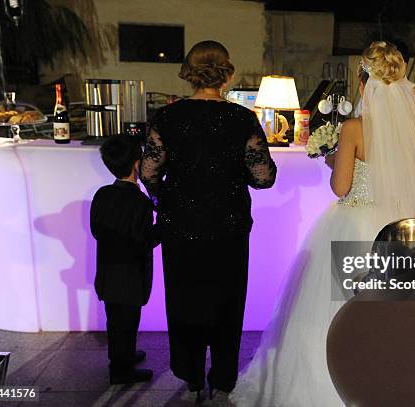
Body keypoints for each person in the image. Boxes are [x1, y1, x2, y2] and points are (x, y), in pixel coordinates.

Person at [230, 41, 415, 406]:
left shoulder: (356, 127)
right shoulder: (411, 126)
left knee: (328, 316)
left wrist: (335, 162)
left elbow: (340, 187)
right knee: (382, 317)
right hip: (394, 229)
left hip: (353, 225)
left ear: (362, 82)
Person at [140, 40, 277, 404]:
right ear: (226, 73)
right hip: (228, 225)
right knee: (227, 304)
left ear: (188, 72)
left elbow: (149, 170)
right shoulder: (241, 118)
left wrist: (161, 197)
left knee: (184, 303)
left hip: (180, 223)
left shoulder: (168, 117)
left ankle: (191, 379)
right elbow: (264, 177)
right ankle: (222, 381)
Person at [90, 135, 158, 385]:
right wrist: (162, 228)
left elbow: (98, 231)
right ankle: (121, 370)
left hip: (108, 273)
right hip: (130, 276)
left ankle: (122, 356)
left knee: (116, 321)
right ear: (137, 164)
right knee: (127, 323)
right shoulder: (140, 202)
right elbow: (144, 240)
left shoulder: (102, 195)